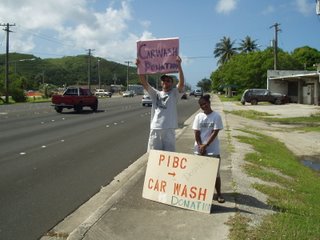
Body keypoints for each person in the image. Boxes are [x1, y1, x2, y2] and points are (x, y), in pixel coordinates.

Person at [136, 56, 185, 152]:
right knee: (154, 154)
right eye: (164, 80)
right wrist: (139, 67)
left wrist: (179, 65)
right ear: (161, 82)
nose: (165, 82)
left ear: (172, 83)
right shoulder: (156, 94)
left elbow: (181, 83)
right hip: (156, 128)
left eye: (168, 81)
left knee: (169, 154)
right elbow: (144, 83)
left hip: (169, 128)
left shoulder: (175, 93)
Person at [192, 94, 225, 203]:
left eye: (205, 104)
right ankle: (200, 194)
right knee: (199, 173)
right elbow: (196, 132)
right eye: (201, 105)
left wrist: (206, 145)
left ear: (209, 103)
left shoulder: (216, 116)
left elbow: (215, 132)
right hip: (199, 150)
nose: (203, 106)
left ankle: (219, 194)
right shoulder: (198, 117)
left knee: (215, 174)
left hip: (213, 150)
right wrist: (200, 145)